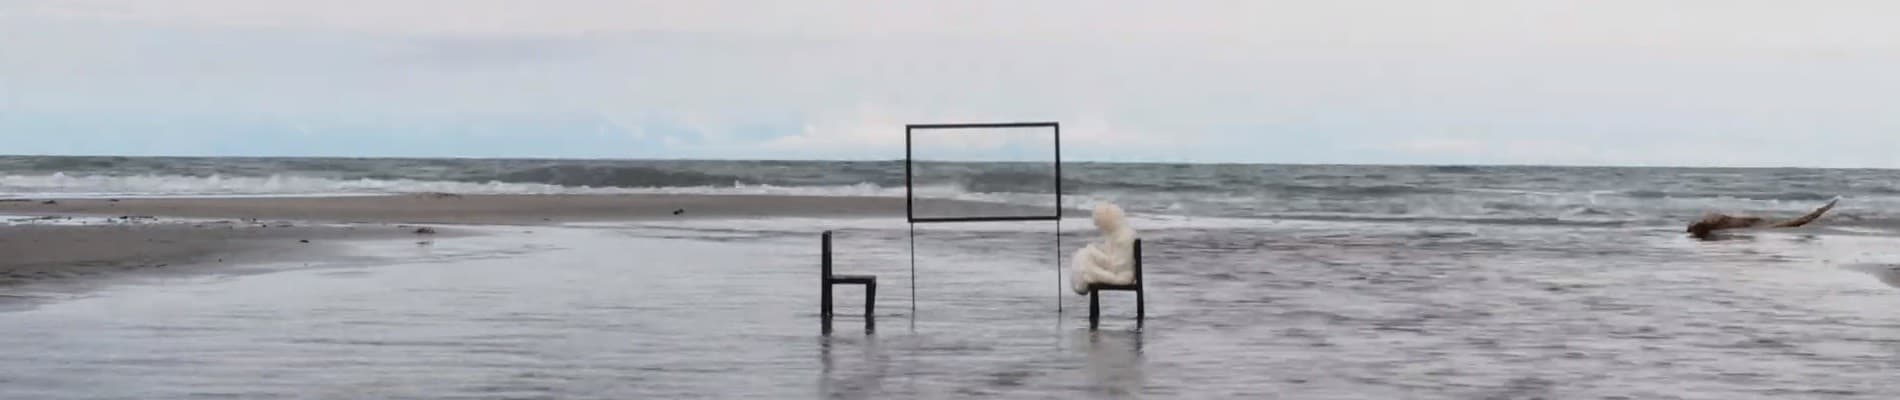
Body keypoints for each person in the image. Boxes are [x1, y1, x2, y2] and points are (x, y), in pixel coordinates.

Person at [1071, 203, 1138, 294]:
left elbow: (1116, 267)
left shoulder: (1123, 237)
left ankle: (1082, 284)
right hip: (1117, 273)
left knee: (1085, 258)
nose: (1098, 227)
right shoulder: (1116, 234)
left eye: (1099, 224)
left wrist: (1095, 254)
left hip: (1121, 277)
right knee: (1084, 255)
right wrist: (1097, 252)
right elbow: (1111, 257)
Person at [1687, 198, 1838, 238]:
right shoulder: (1720, 225)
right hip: (1760, 225)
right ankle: (1822, 211)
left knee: (1797, 222)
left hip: (1758, 225)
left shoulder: (1719, 224)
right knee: (1797, 222)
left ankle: (1822, 211)